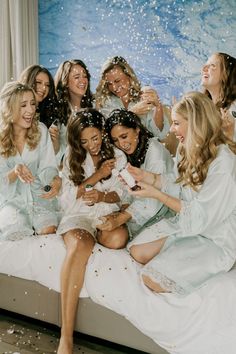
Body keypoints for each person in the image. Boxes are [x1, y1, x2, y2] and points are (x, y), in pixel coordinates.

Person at [126, 91, 236, 295]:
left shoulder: (223, 162)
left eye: (177, 123)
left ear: (195, 122)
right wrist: (146, 176)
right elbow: (178, 184)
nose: (173, 130)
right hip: (191, 225)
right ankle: (178, 253)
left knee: (151, 278)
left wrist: (156, 195)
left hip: (215, 237)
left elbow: (201, 217)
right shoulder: (187, 147)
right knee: (136, 251)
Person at [57, 108, 128, 354]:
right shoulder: (72, 156)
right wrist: (98, 175)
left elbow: (125, 194)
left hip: (105, 212)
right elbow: (66, 200)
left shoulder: (118, 155)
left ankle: (103, 232)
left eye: (96, 138)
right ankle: (66, 337)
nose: (92, 146)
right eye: (85, 141)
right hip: (78, 215)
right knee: (80, 244)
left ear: (103, 133)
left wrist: (102, 195)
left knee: (118, 238)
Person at [0, 82, 61, 240]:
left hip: (38, 196)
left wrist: (54, 180)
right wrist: (15, 172)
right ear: (9, 108)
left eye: (33, 104)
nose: (30, 110)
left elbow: (48, 167)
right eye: (23, 105)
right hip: (10, 201)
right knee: (16, 235)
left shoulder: (40, 130)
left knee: (48, 232)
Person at [103, 109, 174, 238]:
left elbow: (153, 203)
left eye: (124, 136)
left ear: (137, 129)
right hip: (142, 209)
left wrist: (121, 218)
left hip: (164, 212)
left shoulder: (155, 153)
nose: (121, 144)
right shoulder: (127, 153)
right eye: (115, 140)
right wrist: (124, 207)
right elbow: (126, 189)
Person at [95, 56, 178, 155]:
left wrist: (158, 106)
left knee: (167, 110)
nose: (114, 87)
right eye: (109, 84)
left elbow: (159, 134)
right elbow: (107, 135)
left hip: (143, 152)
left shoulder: (142, 98)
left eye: (117, 81)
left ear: (129, 77)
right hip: (118, 154)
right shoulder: (106, 102)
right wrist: (132, 113)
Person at [54, 59, 94, 165]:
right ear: (65, 82)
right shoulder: (56, 113)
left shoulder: (95, 106)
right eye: (77, 77)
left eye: (85, 76)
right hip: (67, 167)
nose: (83, 80)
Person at [19, 65, 62, 151]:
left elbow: (50, 159)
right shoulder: (15, 114)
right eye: (38, 82)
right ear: (28, 81)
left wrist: (55, 144)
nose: (43, 88)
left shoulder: (47, 118)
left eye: (47, 85)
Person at [201, 52, 236, 141]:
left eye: (212, 65)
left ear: (226, 74)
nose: (204, 68)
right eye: (206, 65)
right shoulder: (205, 108)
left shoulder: (233, 109)